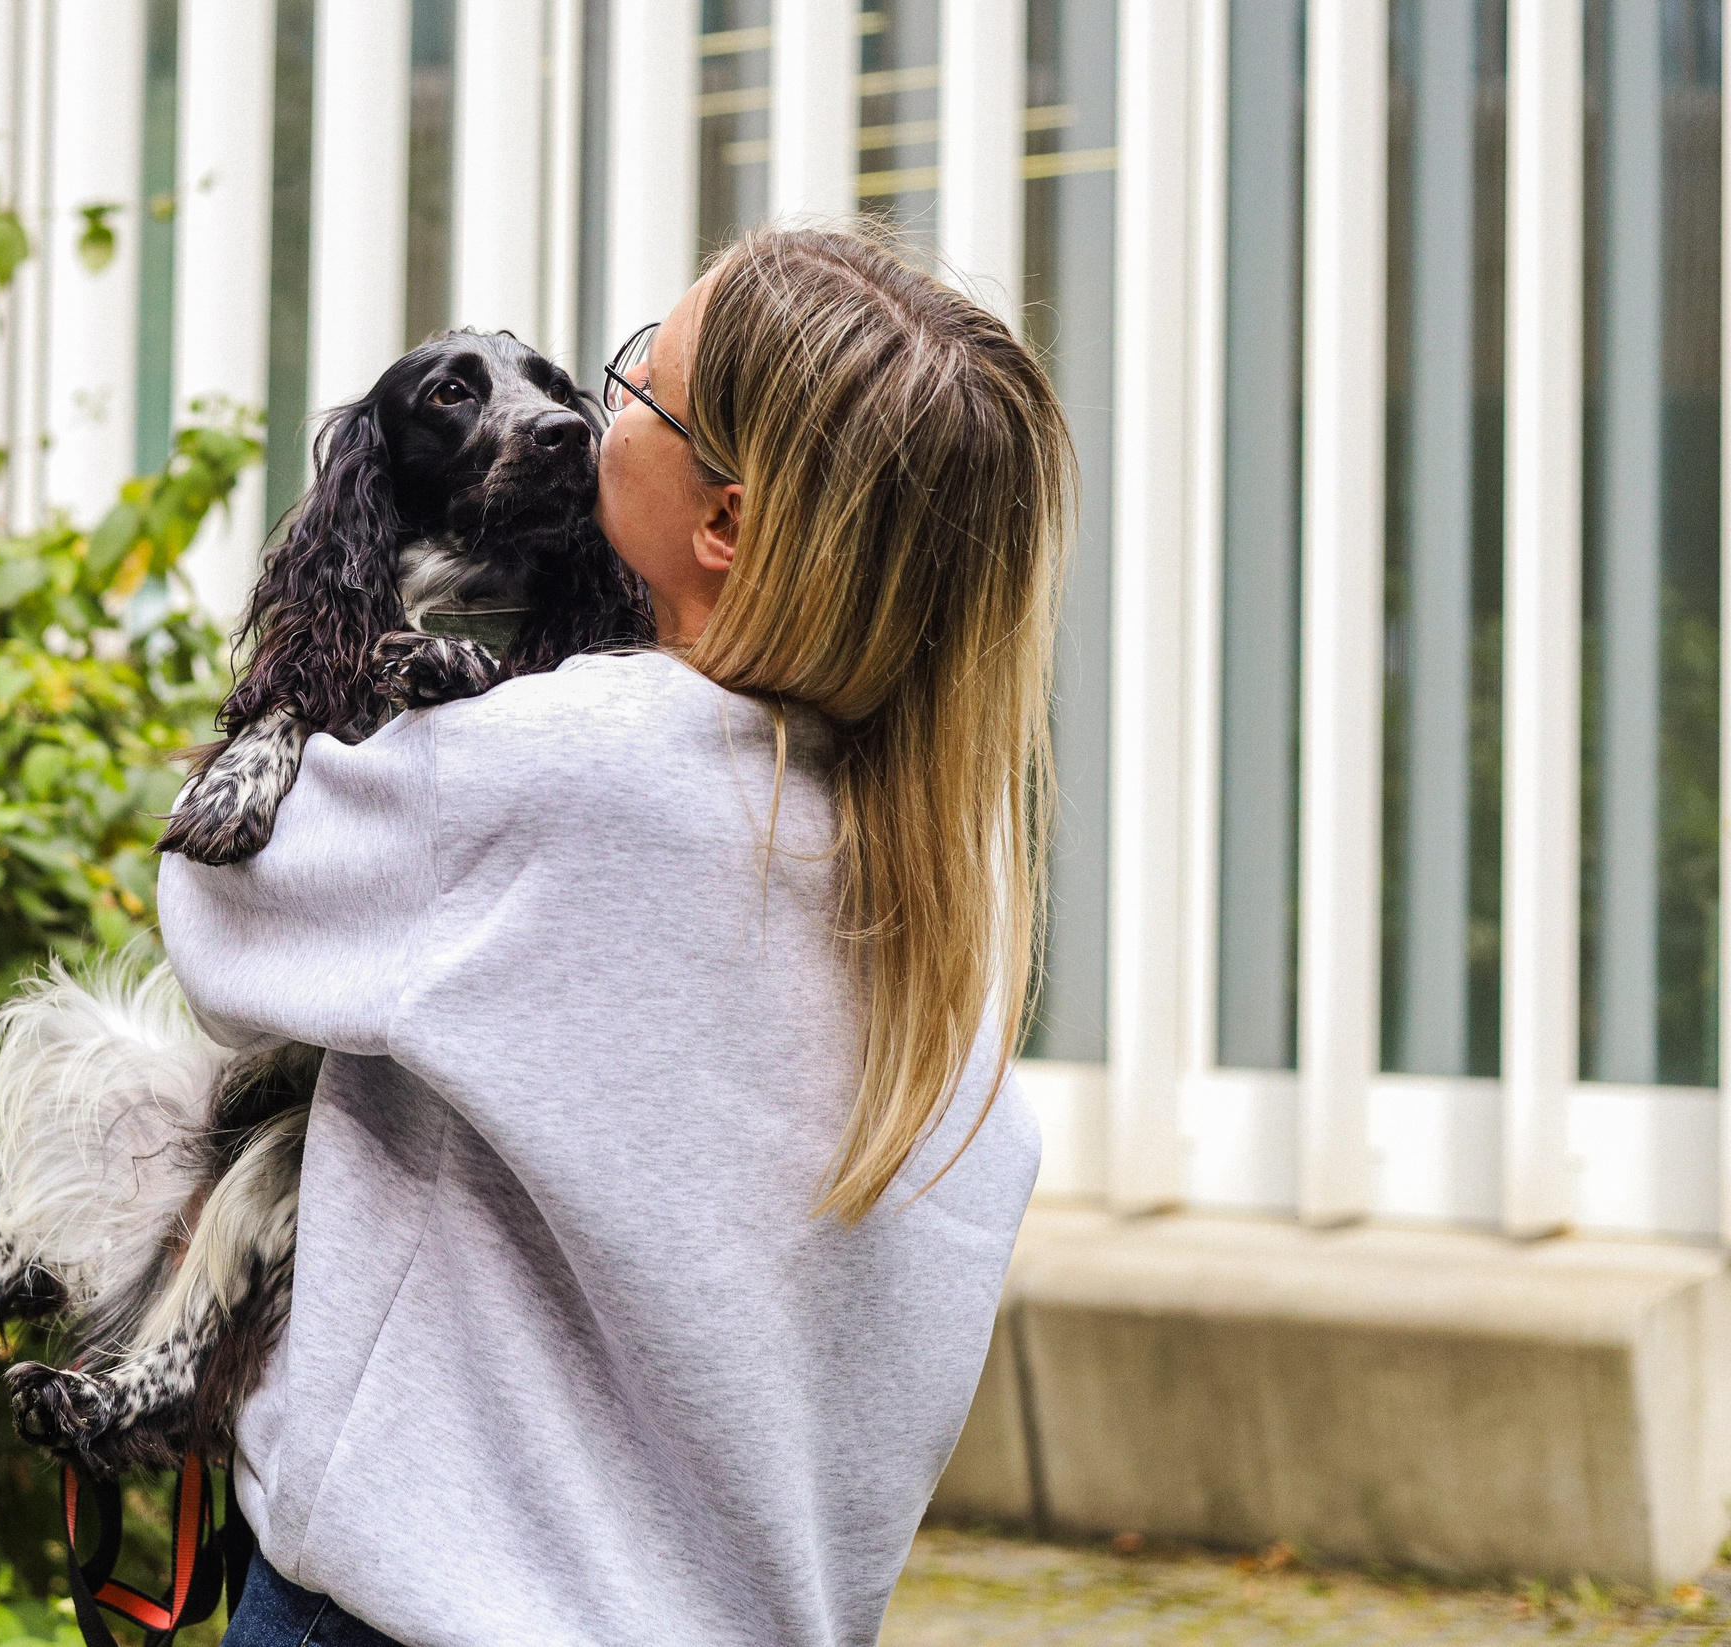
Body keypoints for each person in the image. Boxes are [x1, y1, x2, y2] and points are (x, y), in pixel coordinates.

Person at [161, 223, 1072, 1647]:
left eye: (636, 377)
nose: (589, 410)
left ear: (723, 525)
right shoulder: (948, 887)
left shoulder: (553, 767)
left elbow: (223, 919)